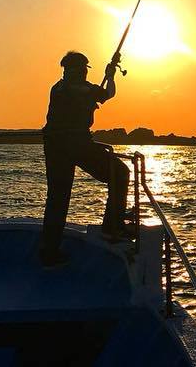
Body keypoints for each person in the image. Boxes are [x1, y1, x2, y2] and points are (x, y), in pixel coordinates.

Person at [39, 50, 131, 267]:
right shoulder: (74, 89)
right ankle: (112, 227)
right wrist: (106, 80)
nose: (83, 73)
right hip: (74, 145)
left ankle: (49, 251)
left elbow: (103, 94)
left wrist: (109, 76)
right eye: (82, 69)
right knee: (120, 173)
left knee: (57, 198)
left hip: (57, 145)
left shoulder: (62, 88)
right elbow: (103, 94)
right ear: (77, 69)